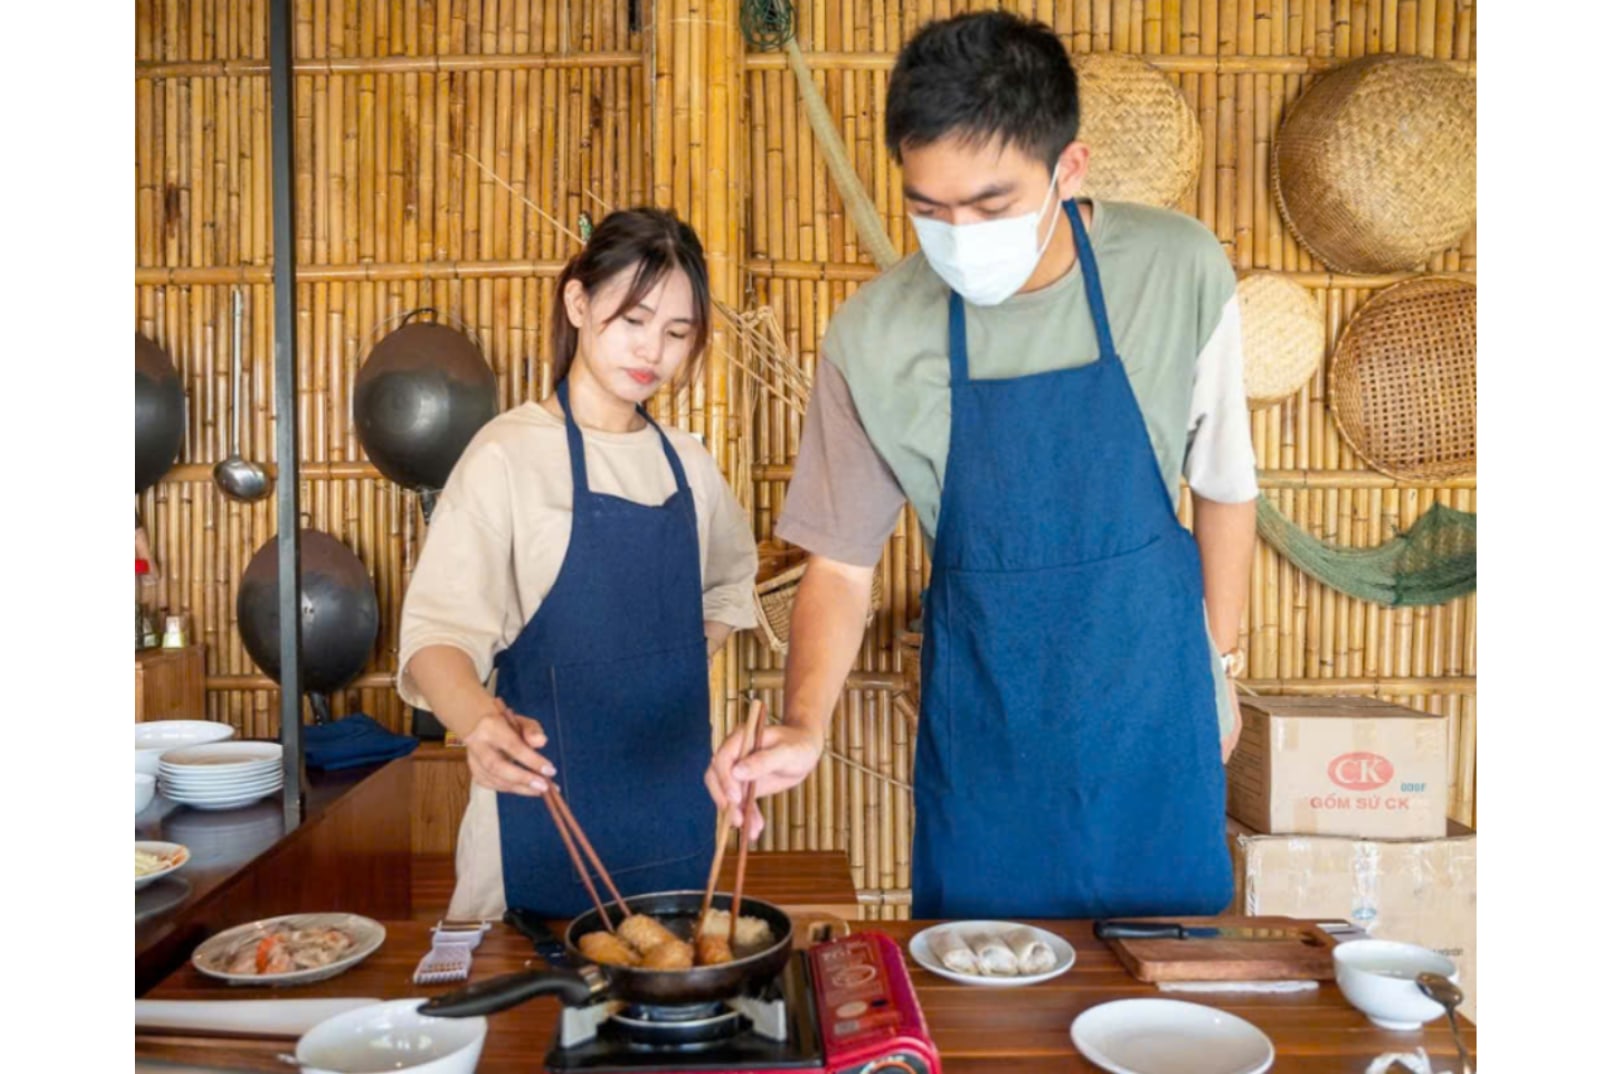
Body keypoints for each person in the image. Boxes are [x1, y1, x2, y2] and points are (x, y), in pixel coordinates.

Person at [707, 11, 1257, 920]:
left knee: (1167, 1007)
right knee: (982, 1023)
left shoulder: (1178, 270)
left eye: (992, 205)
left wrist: (1221, 665)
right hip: (988, 751)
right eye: (929, 209)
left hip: (1154, 725)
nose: (959, 234)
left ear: (1067, 168)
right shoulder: (872, 338)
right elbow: (841, 565)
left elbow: (1225, 483)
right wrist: (804, 723)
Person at [398, 208, 758, 919]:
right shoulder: (506, 455)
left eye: (677, 333)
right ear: (578, 302)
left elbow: (730, 586)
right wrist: (479, 726)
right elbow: (436, 635)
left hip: (674, 818)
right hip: (541, 819)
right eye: (633, 319)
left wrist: (664, 661)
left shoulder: (689, 465)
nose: (651, 350)